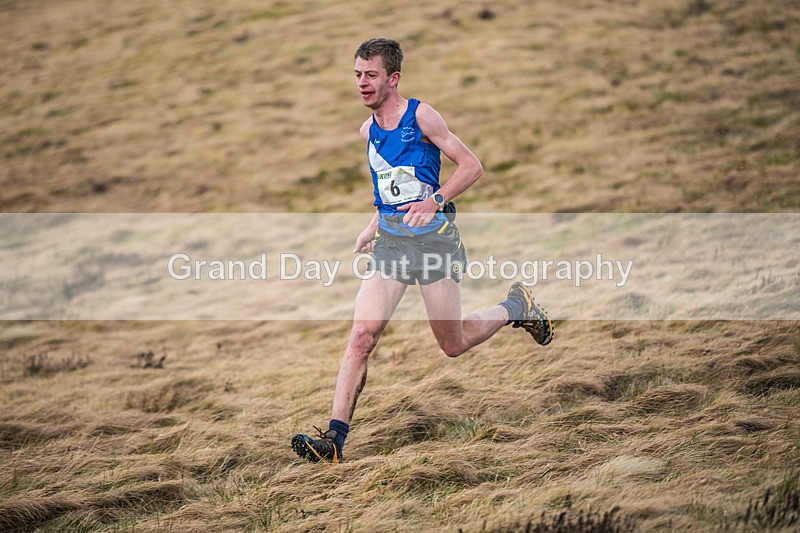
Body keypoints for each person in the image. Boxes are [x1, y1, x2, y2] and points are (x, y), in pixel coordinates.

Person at [291, 38, 553, 463]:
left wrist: (435, 200)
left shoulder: (422, 116)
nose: (362, 83)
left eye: (371, 75)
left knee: (453, 343)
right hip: (392, 245)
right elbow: (388, 188)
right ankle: (333, 441)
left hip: (434, 242)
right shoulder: (367, 131)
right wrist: (371, 226)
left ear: (393, 78)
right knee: (361, 336)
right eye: (357, 75)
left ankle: (515, 307)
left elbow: (471, 166)